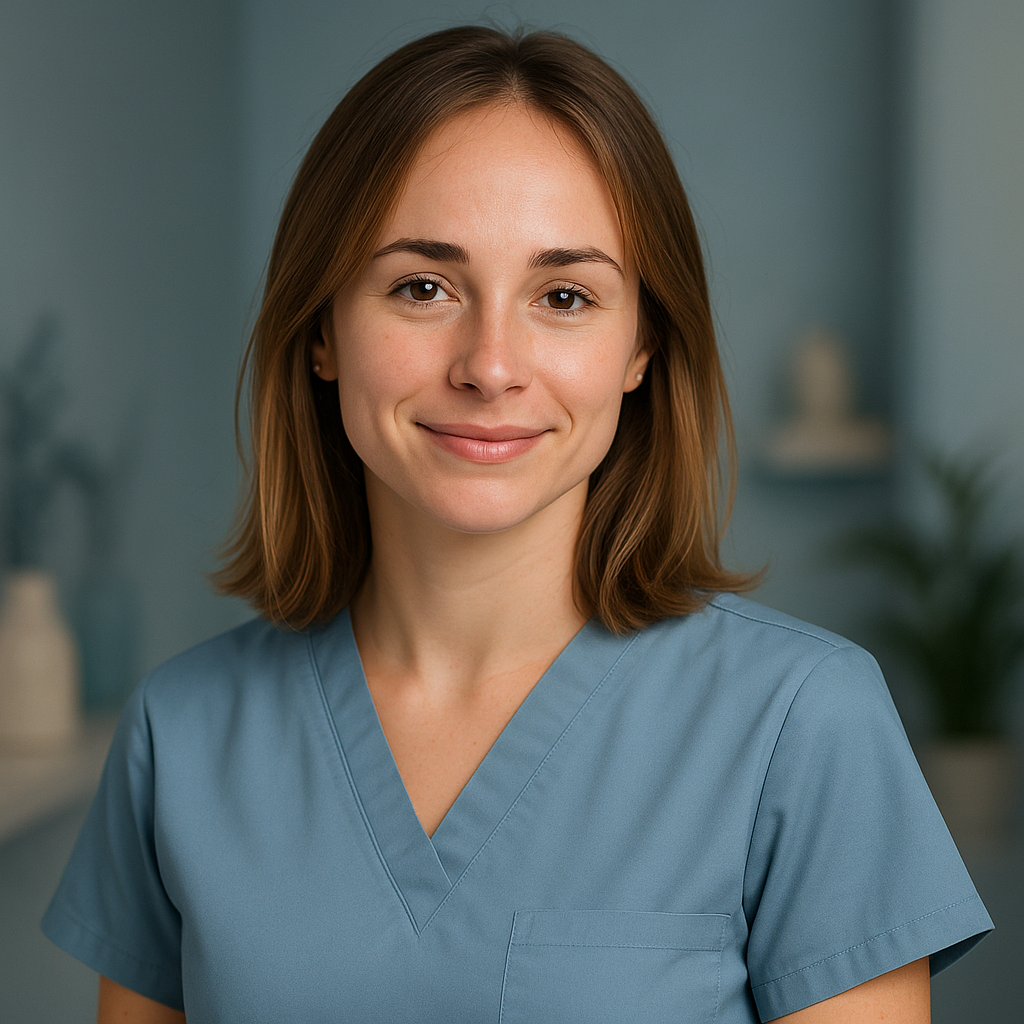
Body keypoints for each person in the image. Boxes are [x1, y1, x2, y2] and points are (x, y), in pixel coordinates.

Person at [43, 26, 991, 1023]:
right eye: (421, 286)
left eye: (565, 296)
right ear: (321, 329)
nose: (490, 365)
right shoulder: (180, 736)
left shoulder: (804, 723)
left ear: (640, 349)